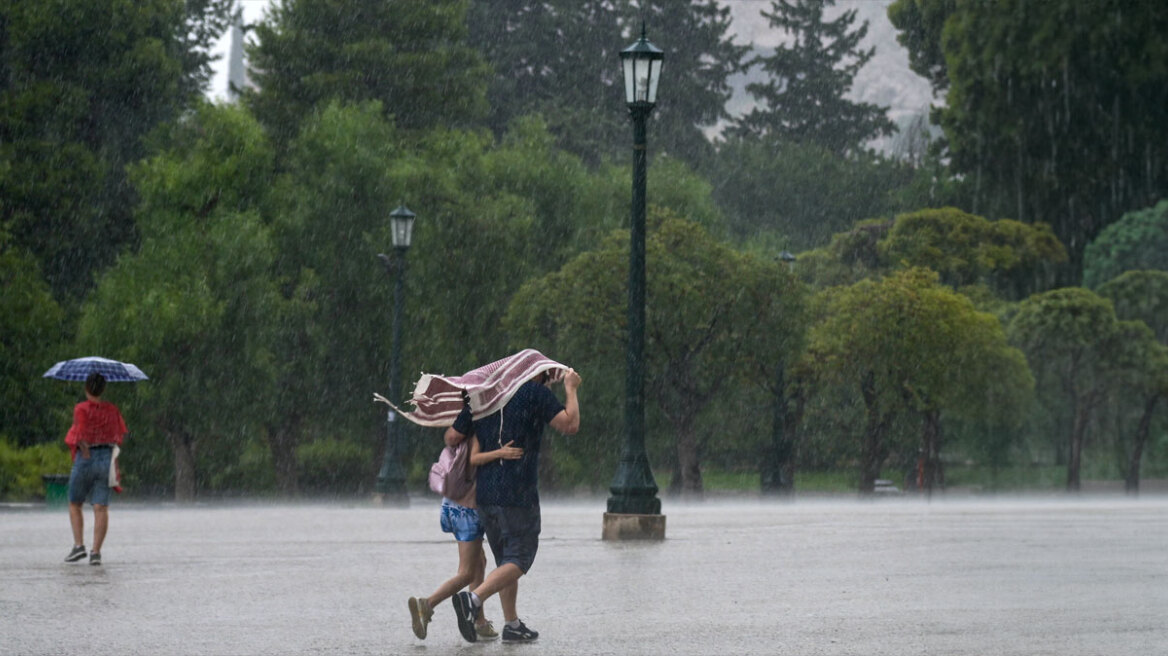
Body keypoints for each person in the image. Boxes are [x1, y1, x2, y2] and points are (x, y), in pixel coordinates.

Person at [446, 367, 581, 643]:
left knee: (504, 561)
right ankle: (473, 600)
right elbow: (570, 424)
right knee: (519, 558)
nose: (547, 382)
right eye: (546, 376)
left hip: (486, 495)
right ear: (536, 374)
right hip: (518, 493)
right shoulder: (534, 392)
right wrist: (571, 388)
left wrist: (480, 429)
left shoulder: (484, 395)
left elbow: (452, 437)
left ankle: (512, 625)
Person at [406, 427, 500, 641]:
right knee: (466, 572)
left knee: (479, 561)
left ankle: (479, 621)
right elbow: (476, 460)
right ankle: (427, 605)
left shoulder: (461, 428)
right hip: (468, 509)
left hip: (452, 503)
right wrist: (500, 453)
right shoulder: (482, 430)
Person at [63, 372, 127, 566]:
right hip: (106, 458)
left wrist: (84, 449)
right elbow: (119, 433)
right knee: (101, 507)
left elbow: (79, 433)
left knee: (75, 503)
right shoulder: (112, 409)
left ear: (86, 388)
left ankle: (79, 546)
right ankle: (96, 552)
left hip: (86, 457)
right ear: (103, 389)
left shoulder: (81, 409)